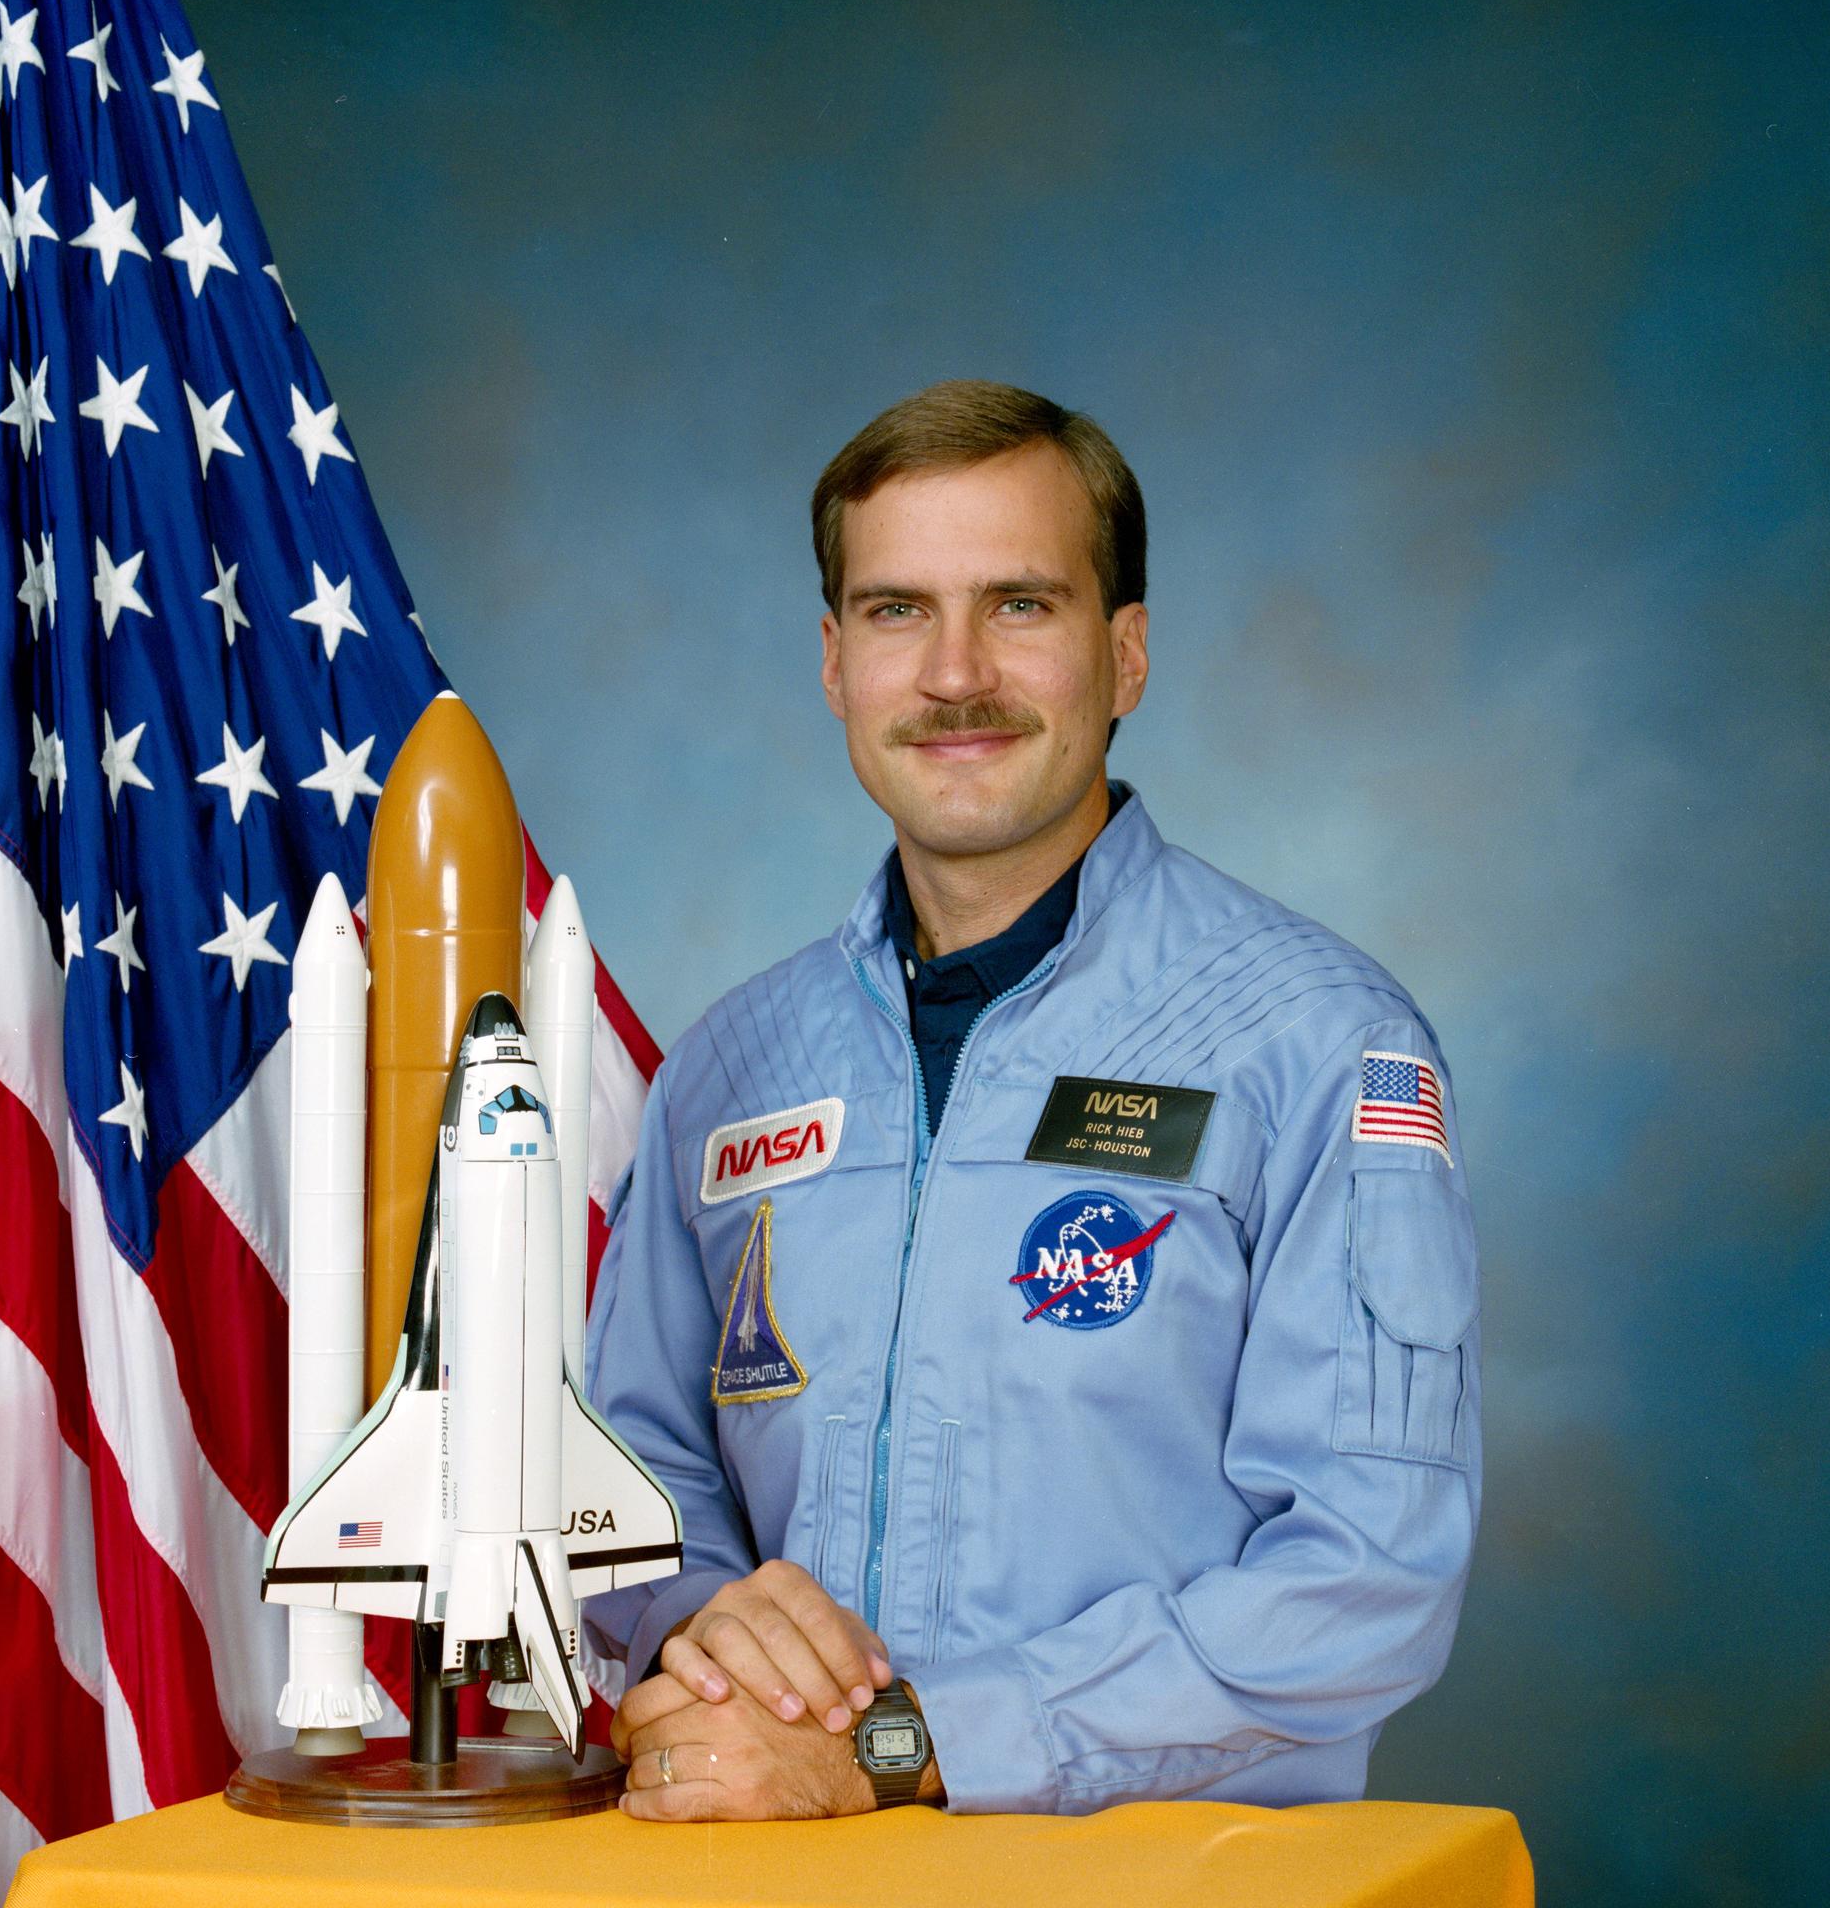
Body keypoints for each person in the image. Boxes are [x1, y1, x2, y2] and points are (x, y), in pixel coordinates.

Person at [583, 380, 1481, 1821]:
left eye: (1018, 605)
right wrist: (706, 1630)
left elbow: (1362, 1579)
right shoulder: (728, 1069)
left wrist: (909, 1747)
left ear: (1124, 655)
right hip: (786, 1870)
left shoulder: (1314, 1041)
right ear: (834, 664)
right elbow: (635, 1478)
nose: (954, 675)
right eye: (895, 611)